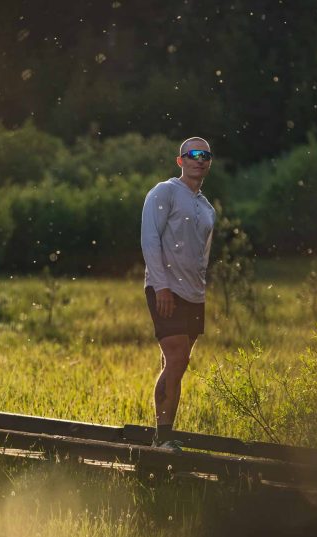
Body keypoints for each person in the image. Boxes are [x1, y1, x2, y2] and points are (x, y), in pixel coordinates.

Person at [140, 137, 216, 450]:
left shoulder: (206, 207)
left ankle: (166, 432)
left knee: (178, 364)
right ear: (180, 160)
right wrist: (162, 286)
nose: (200, 159)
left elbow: (203, 255)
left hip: (194, 294)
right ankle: (162, 438)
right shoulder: (166, 191)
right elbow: (150, 239)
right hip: (165, 289)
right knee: (177, 357)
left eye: (206, 155)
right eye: (194, 154)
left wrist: (200, 291)